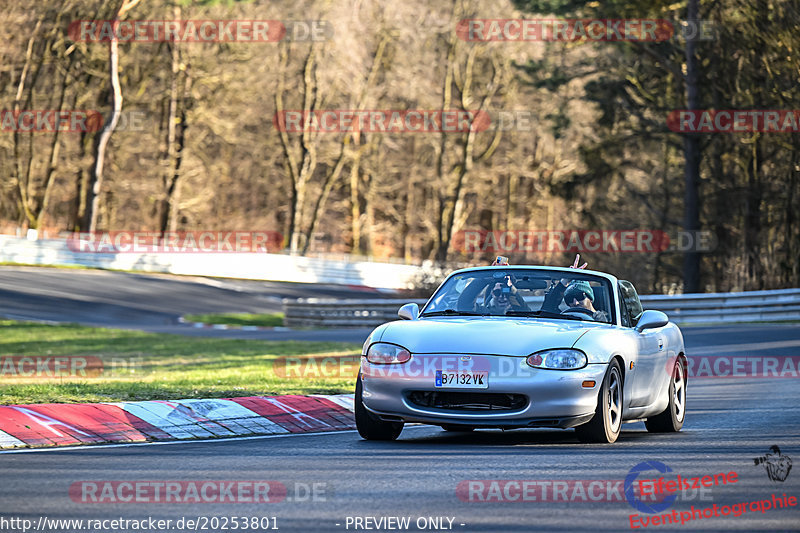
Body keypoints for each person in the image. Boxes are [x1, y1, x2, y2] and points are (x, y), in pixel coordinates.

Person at [542, 254, 608, 322]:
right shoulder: (564, 319)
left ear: (590, 299)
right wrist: (565, 281)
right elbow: (546, 310)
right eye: (570, 298)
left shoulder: (606, 319)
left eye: (579, 296)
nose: (575, 302)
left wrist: (603, 321)